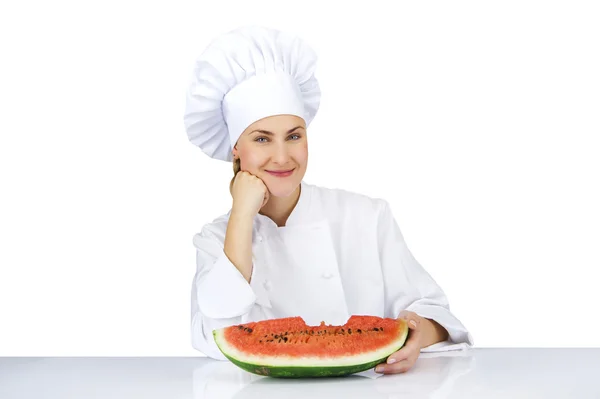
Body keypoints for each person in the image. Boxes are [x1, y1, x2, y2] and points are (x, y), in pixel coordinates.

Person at [184, 26, 474, 374]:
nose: (281, 157)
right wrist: (242, 215)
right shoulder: (215, 238)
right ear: (235, 149)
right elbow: (216, 331)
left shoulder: (366, 216)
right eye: (262, 139)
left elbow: (436, 314)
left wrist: (416, 335)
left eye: (294, 136)